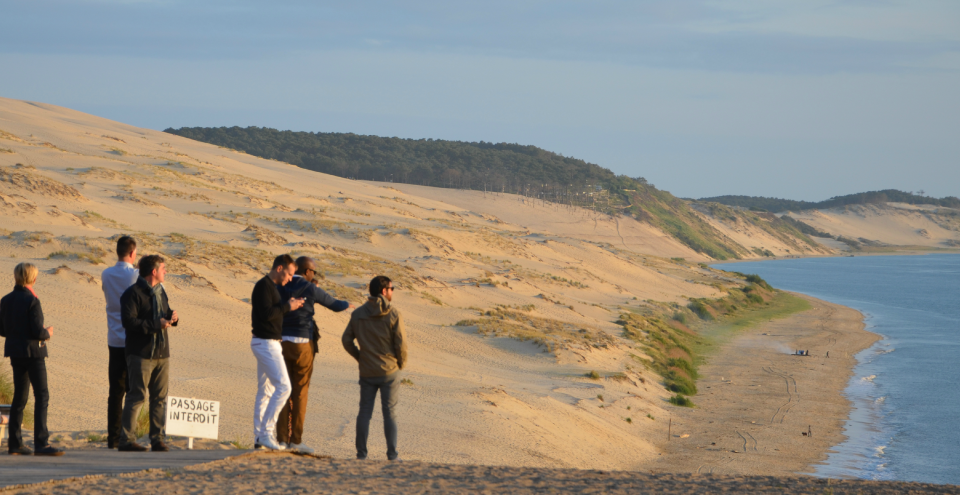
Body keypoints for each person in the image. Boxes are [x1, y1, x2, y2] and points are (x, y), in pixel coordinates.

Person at [276, 257, 354, 453]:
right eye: (314, 272)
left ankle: (282, 440)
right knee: (300, 392)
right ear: (308, 271)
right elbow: (335, 305)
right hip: (303, 343)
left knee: (283, 390)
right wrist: (348, 304)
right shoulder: (310, 288)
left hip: (282, 342)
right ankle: (296, 440)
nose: (314, 275)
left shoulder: (281, 283)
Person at [0, 263, 64, 456]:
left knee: (20, 397)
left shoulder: (6, 300)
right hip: (33, 353)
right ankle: (41, 443)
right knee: (42, 395)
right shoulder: (32, 301)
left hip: (15, 352)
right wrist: (48, 332)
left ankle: (15, 443)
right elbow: (38, 331)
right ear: (33, 279)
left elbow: (2, 329)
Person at [342, 275, 407, 461]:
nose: (392, 292)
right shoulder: (393, 314)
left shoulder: (358, 314)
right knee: (390, 413)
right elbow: (401, 345)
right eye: (392, 289)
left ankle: (361, 455)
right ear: (384, 291)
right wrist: (400, 364)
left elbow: (346, 340)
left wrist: (360, 358)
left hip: (367, 371)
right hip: (389, 371)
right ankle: (392, 455)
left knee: (364, 412)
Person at [118, 255, 179, 452]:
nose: (165, 271)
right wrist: (156, 324)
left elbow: (165, 313)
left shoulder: (161, 292)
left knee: (160, 398)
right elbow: (129, 323)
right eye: (163, 268)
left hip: (162, 353)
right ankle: (127, 440)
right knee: (136, 396)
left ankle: (157, 440)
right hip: (140, 354)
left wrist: (172, 318)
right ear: (154, 272)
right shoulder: (132, 293)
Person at [251, 254, 304, 451]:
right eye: (289, 274)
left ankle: (259, 437)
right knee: (284, 387)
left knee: (266, 391)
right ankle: (266, 434)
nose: (290, 279)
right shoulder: (264, 286)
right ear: (280, 268)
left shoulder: (271, 287)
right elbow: (267, 314)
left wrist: (286, 306)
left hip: (265, 342)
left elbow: (272, 311)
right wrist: (287, 307)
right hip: (265, 343)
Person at [100, 235, 139, 449]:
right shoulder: (134, 275)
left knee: (115, 391)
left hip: (114, 338)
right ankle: (127, 435)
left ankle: (113, 437)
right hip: (131, 340)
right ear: (132, 253)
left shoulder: (106, 274)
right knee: (133, 391)